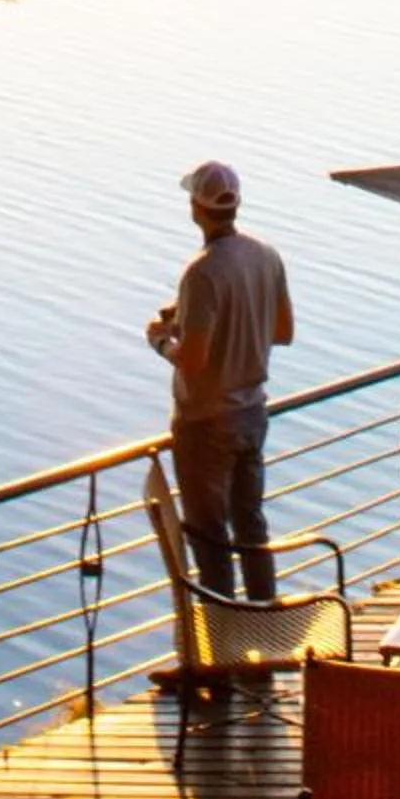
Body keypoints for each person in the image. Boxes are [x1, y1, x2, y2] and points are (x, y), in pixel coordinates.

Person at [146, 159, 294, 604]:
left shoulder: (202, 271)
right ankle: (266, 620)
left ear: (196, 207)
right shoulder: (266, 256)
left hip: (206, 423)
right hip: (253, 414)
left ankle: (220, 644)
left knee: (209, 538)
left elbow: (191, 362)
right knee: (251, 525)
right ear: (236, 205)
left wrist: (158, 341)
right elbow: (283, 331)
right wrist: (195, 316)